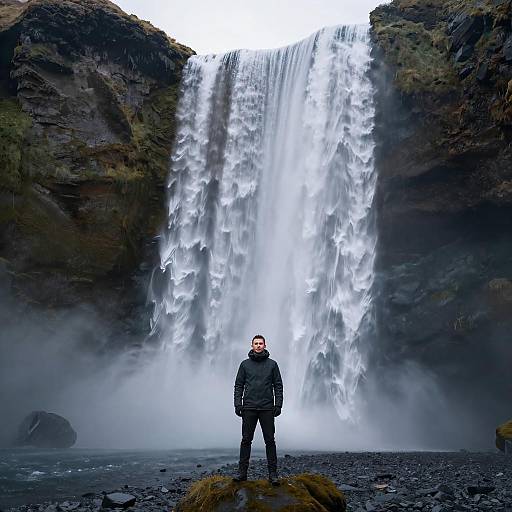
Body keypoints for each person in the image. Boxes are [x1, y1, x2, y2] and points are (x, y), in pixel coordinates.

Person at [232, 334, 283, 486]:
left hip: (267, 408)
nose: (259, 346)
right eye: (256, 343)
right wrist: (237, 404)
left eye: (261, 343)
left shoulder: (273, 365)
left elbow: (278, 385)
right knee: (246, 440)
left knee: (270, 441)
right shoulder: (244, 365)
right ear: (252, 345)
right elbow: (238, 385)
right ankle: (242, 474)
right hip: (249, 408)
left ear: (265, 345)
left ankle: (273, 474)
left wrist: (278, 405)